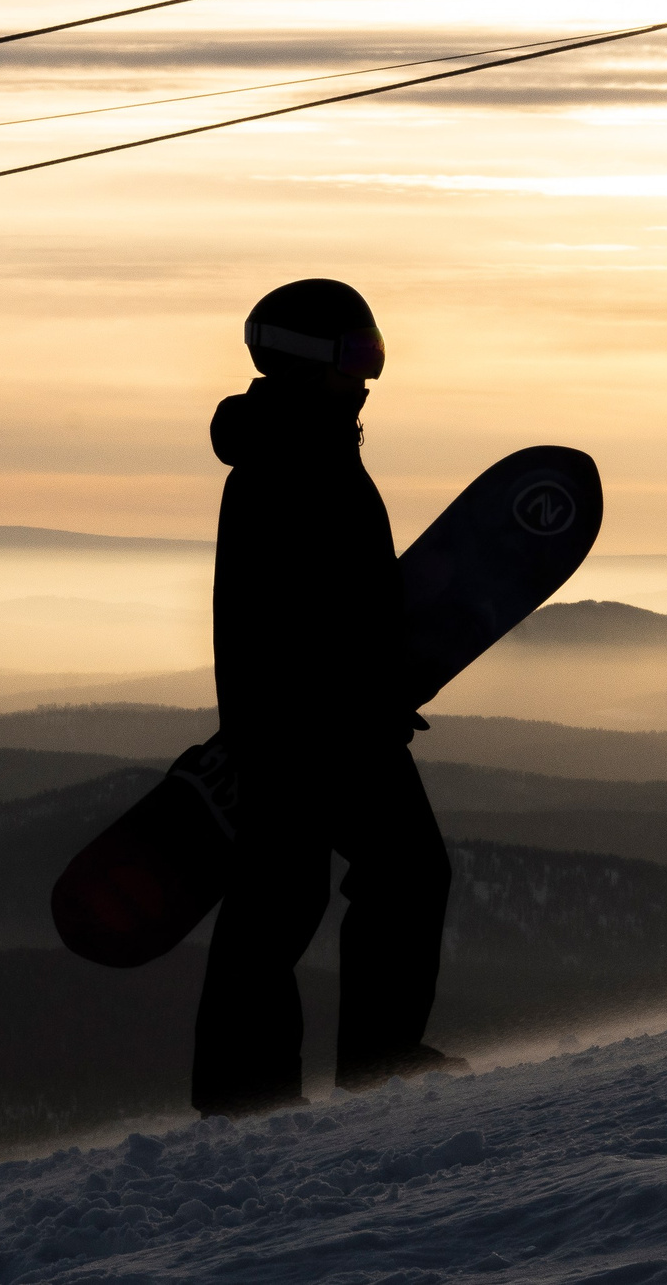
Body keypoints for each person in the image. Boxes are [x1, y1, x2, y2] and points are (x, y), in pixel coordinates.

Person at [191, 278, 462, 1116]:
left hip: (302, 720)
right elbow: (303, 612)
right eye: (357, 354)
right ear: (308, 360)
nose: (371, 375)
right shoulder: (295, 460)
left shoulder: (301, 447)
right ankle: (368, 1065)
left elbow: (331, 603)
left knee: (285, 896)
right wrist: (361, 696)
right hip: (316, 725)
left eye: (375, 353)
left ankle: (247, 1094)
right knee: (403, 870)